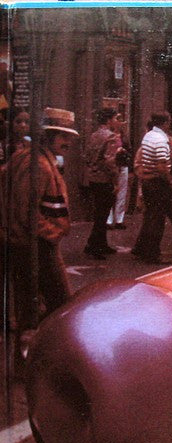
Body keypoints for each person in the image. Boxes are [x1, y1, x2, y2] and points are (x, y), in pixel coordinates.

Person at [2, 107, 78, 336]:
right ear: (48, 136)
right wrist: (51, 233)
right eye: (62, 136)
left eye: (69, 136)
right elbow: (25, 210)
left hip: (30, 243)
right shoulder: (38, 164)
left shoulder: (36, 158)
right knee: (59, 304)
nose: (67, 142)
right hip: (35, 245)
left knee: (33, 306)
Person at [131, 111, 172, 265]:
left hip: (147, 181)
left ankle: (144, 250)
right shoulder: (161, 140)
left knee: (150, 216)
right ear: (165, 123)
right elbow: (162, 166)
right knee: (157, 220)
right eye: (169, 121)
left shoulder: (148, 136)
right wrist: (169, 181)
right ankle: (153, 253)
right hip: (158, 182)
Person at [83, 107, 119, 259]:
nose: (117, 121)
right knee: (102, 214)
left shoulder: (94, 135)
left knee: (100, 212)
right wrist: (115, 180)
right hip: (105, 178)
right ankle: (94, 245)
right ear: (109, 120)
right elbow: (110, 161)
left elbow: (87, 156)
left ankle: (101, 243)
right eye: (115, 118)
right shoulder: (111, 136)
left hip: (93, 177)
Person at [106, 113, 131, 230]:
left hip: (122, 165)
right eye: (117, 120)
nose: (120, 123)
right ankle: (109, 219)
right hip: (112, 167)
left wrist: (123, 151)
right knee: (110, 192)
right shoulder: (109, 135)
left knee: (122, 193)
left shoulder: (124, 136)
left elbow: (129, 149)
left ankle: (119, 219)